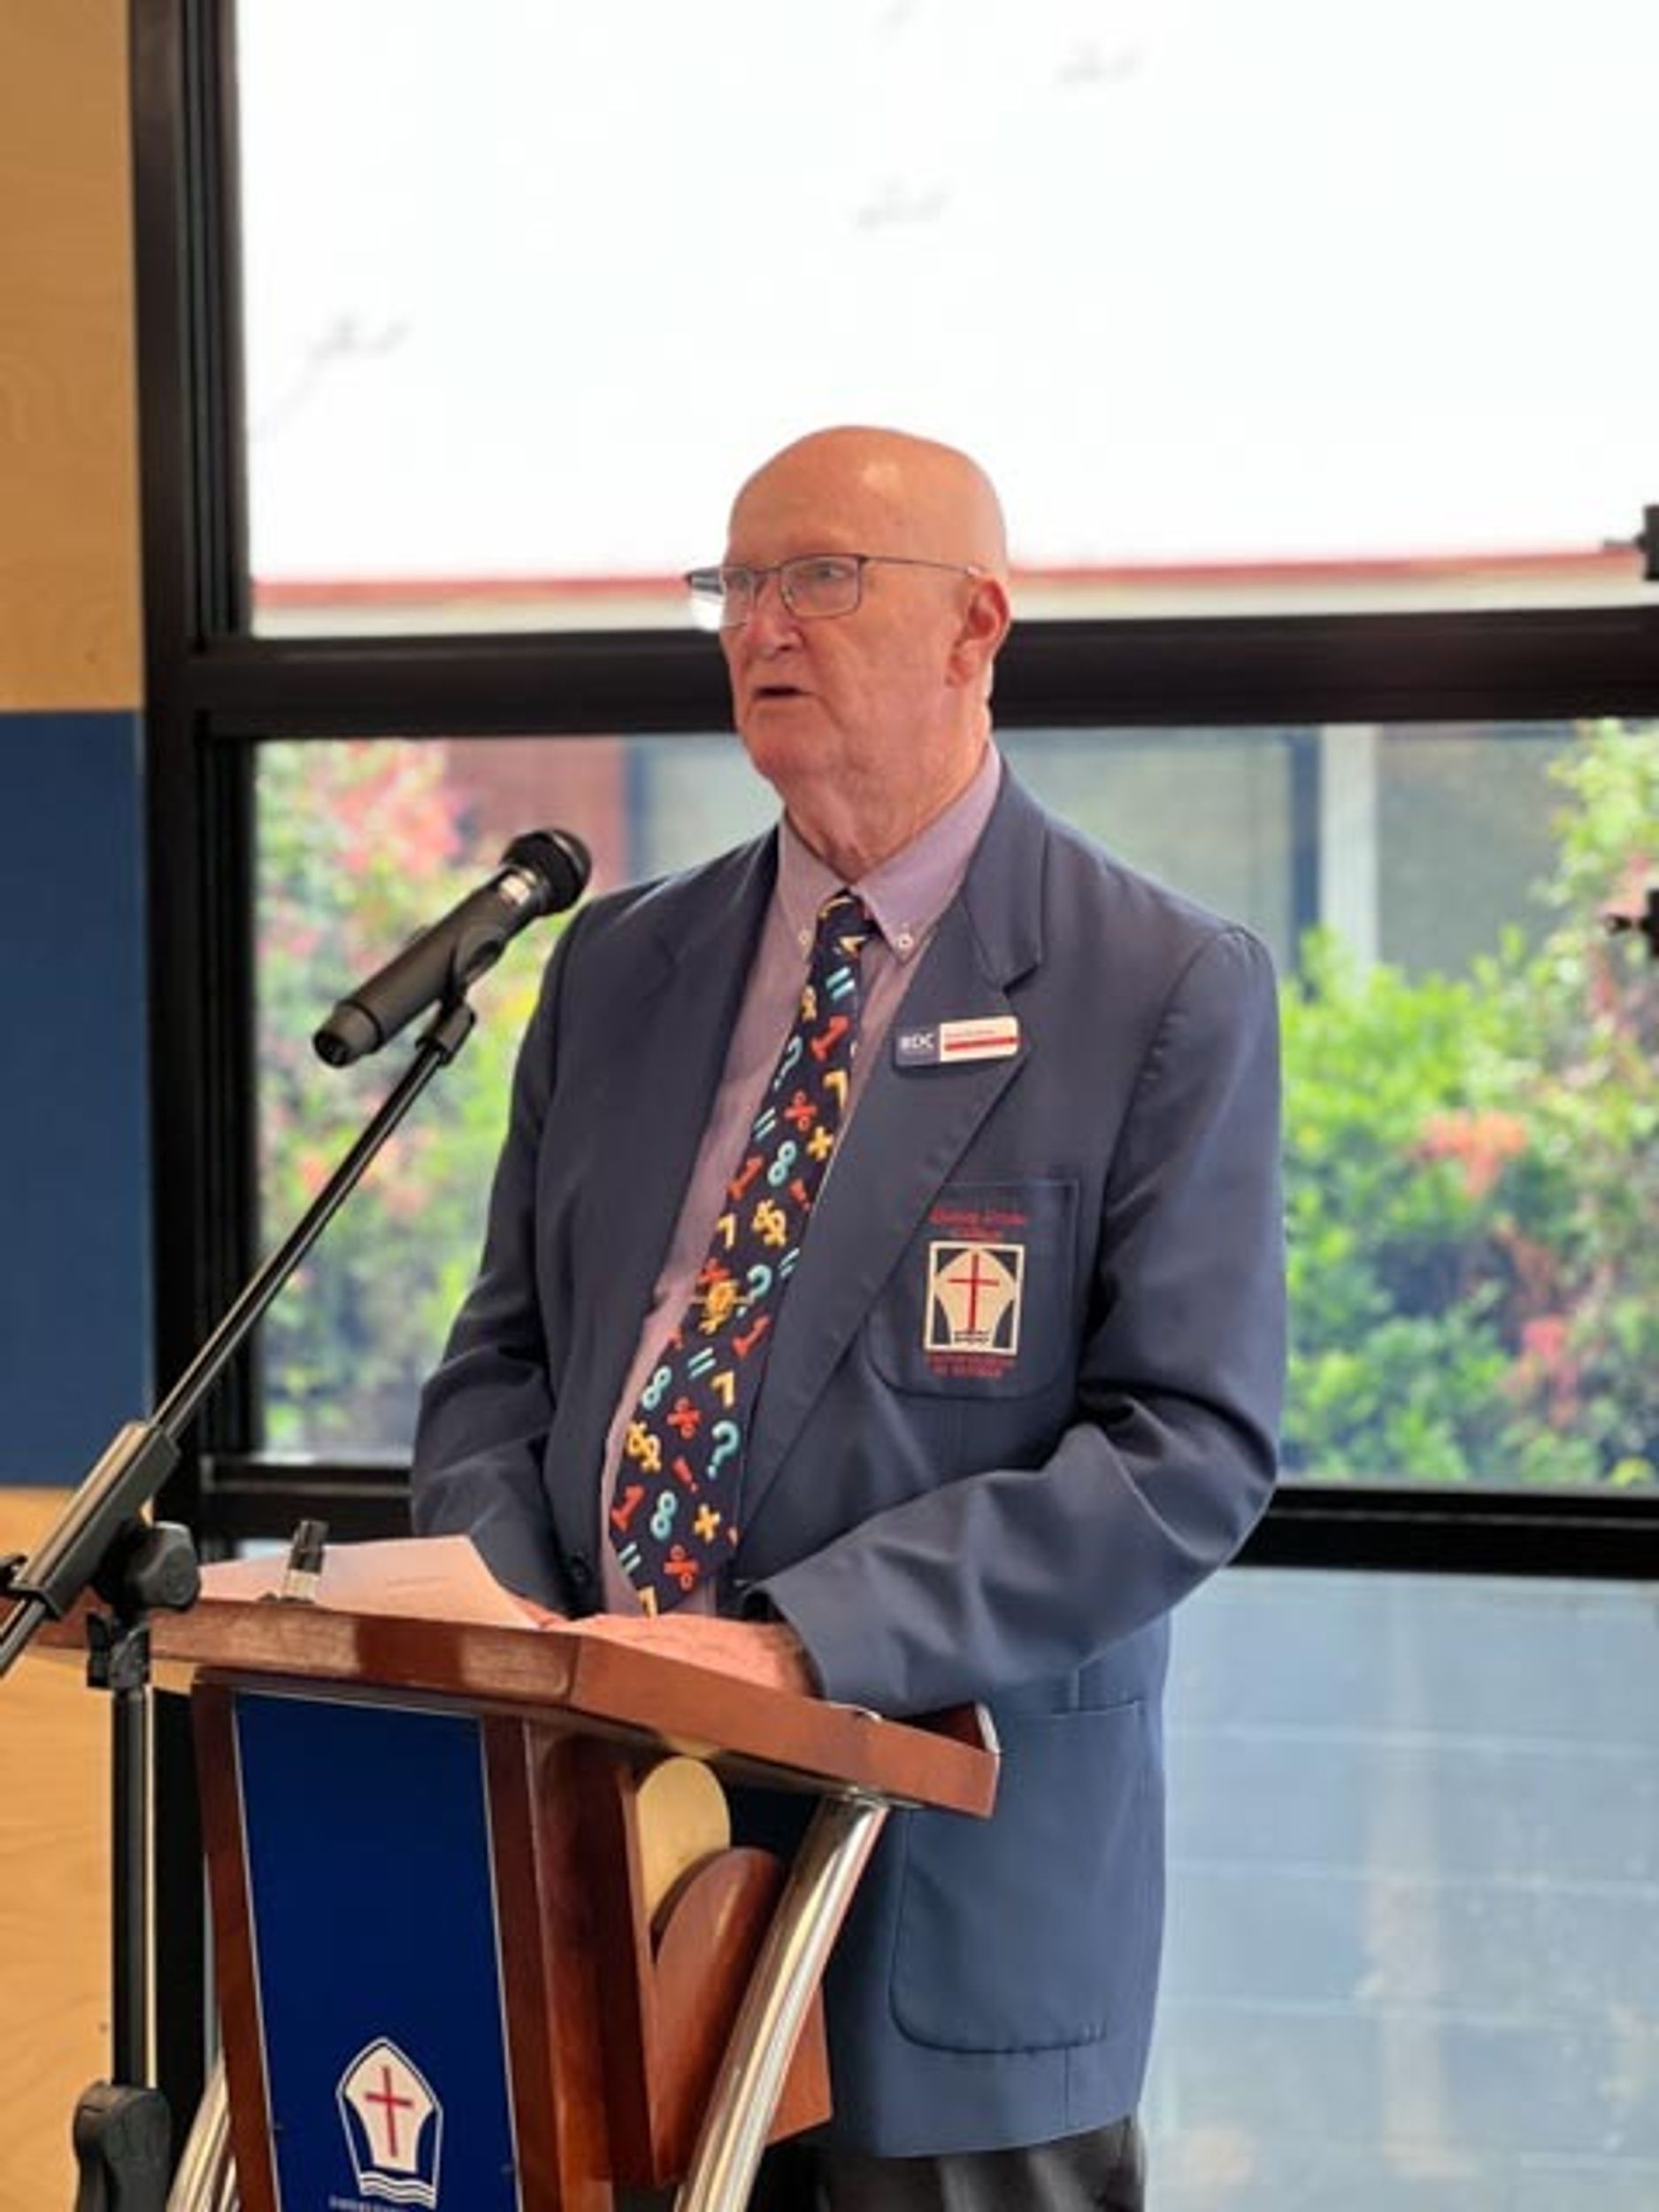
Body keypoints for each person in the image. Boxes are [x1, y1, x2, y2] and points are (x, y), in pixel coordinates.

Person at [411, 426, 1286, 2209]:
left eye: (820, 575)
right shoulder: (616, 967)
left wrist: (801, 1643)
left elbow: (1184, 1449)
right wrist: (514, 1632)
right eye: (734, 583)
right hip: (607, 1844)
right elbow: (503, 1362)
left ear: (975, 625)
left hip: (942, 1884)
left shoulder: (1157, 983)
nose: (761, 624)